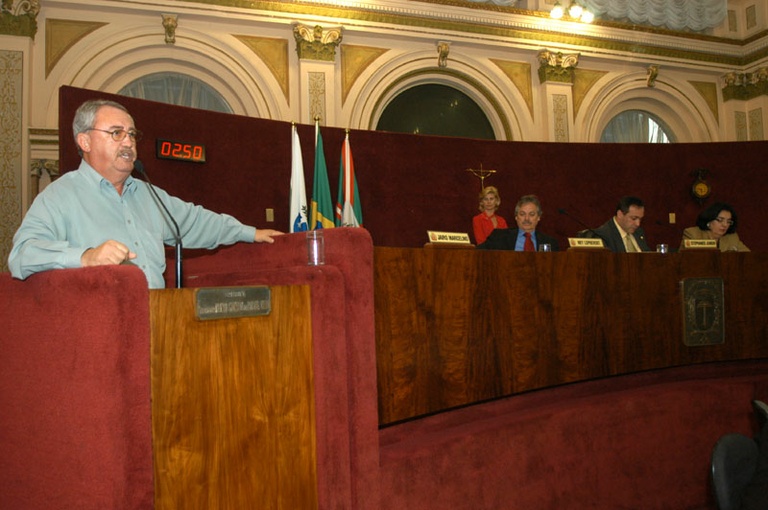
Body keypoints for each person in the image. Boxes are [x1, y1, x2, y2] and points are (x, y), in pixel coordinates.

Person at [8, 99, 283, 289]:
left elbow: (197, 222)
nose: (128, 142)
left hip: (157, 326)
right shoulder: (60, 196)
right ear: (85, 141)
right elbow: (22, 255)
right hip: (100, 341)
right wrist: (85, 257)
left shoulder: (149, 195)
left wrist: (250, 233)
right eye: (116, 133)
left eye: (131, 133)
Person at [477, 194, 559, 251]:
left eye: (531, 214)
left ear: (538, 217)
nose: (526, 218)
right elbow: (477, 252)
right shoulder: (499, 237)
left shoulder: (550, 243)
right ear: (516, 217)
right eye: (522, 214)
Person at [680, 202, 750, 252]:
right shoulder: (692, 233)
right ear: (709, 221)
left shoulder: (732, 238)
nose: (725, 225)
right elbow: (683, 259)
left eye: (728, 221)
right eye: (720, 220)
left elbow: (748, 256)